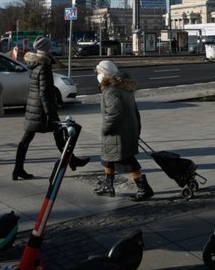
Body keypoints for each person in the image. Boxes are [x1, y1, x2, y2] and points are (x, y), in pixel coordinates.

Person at [12, 36, 88, 180]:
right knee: (57, 134)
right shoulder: (44, 67)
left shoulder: (34, 64)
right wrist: (50, 113)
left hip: (33, 107)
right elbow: (45, 92)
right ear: (47, 48)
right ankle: (72, 160)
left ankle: (18, 169)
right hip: (41, 109)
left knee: (27, 140)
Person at [92, 60, 153, 201]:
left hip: (118, 132)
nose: (97, 74)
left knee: (125, 160)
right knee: (108, 159)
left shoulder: (111, 91)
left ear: (104, 74)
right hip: (127, 128)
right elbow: (135, 111)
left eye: (98, 71)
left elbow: (114, 114)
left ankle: (144, 188)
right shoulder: (122, 87)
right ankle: (108, 186)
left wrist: (105, 129)